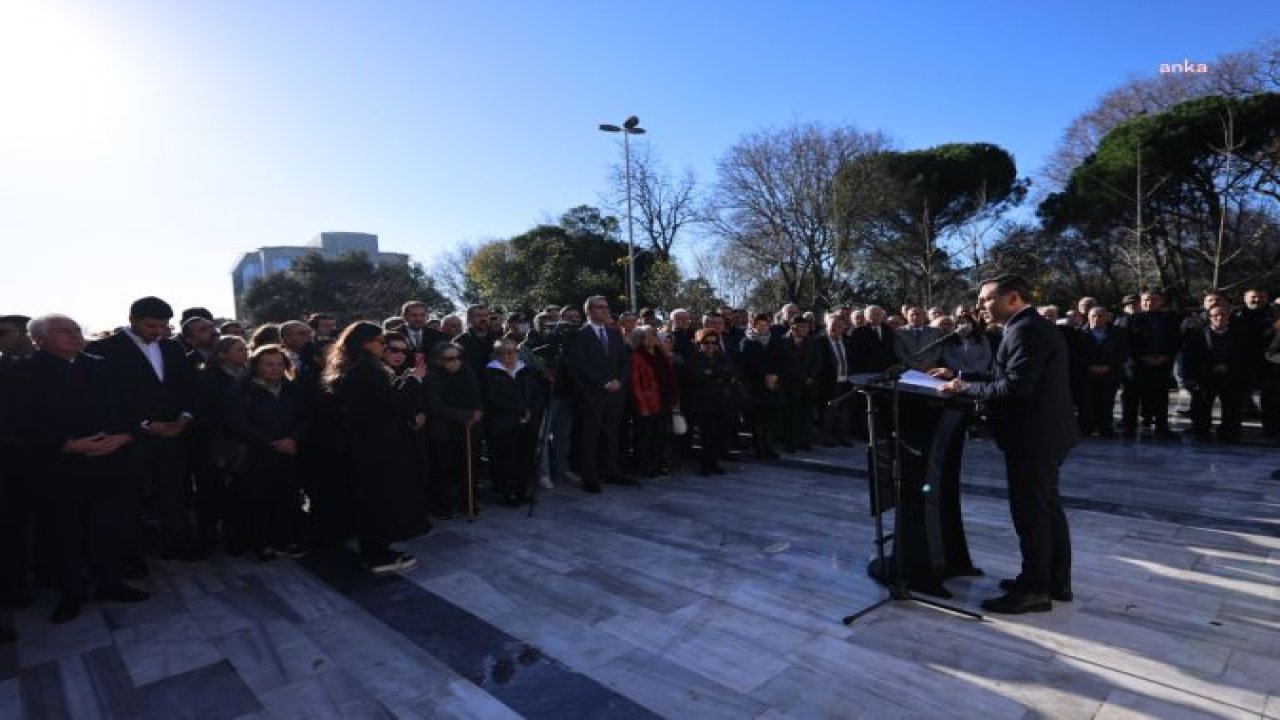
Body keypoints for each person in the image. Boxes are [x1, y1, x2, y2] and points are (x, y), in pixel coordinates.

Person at [935, 275, 1076, 614]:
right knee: (1046, 509)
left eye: (985, 299)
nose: (979, 306)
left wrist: (963, 390)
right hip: (1044, 433)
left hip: (1033, 436)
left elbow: (1014, 388)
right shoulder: (1026, 325)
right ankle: (1053, 580)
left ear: (1012, 298)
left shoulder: (1026, 329)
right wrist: (962, 378)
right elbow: (1007, 378)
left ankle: (1034, 590)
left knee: (1031, 513)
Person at [16, 315, 150, 623]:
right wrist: (67, 445)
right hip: (60, 469)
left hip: (109, 462)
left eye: (76, 329)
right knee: (64, 534)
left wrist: (126, 435)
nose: (74, 335)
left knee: (108, 528)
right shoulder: (22, 373)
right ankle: (70, 594)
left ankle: (110, 583)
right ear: (40, 339)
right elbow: (20, 423)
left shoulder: (102, 366)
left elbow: (132, 408)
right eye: (64, 331)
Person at [85, 296, 202, 567]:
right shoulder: (104, 349)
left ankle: (176, 543)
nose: (158, 332)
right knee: (128, 498)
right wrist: (144, 424)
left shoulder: (172, 349)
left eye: (163, 326)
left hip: (173, 435)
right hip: (130, 439)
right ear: (132, 320)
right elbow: (106, 398)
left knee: (174, 491)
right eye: (151, 326)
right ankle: (130, 555)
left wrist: (183, 419)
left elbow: (188, 388)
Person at [321, 322, 427, 574]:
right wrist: (413, 379)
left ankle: (377, 549)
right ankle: (376, 555)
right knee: (378, 498)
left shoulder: (352, 368)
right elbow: (395, 404)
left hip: (363, 442)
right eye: (380, 341)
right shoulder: (368, 371)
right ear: (366, 342)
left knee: (372, 497)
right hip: (375, 444)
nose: (383, 346)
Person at [226, 345, 309, 561]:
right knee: (258, 501)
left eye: (279, 364)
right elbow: (239, 424)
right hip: (257, 455)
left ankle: (288, 539)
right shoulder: (241, 391)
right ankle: (263, 543)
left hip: (289, 453)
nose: (275, 369)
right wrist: (271, 443)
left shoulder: (293, 389)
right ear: (255, 366)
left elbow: (305, 418)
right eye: (269, 364)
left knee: (289, 499)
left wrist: (293, 439)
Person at [564, 296, 630, 492]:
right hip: (592, 394)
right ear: (589, 311)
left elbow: (624, 362)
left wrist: (619, 381)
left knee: (612, 433)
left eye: (606, 307)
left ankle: (612, 472)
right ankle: (590, 477)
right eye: (600, 307)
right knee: (590, 436)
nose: (605, 310)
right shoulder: (579, 335)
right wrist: (603, 383)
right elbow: (580, 365)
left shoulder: (614, 333)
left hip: (616, 393)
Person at [424, 341, 484, 517]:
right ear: (439, 360)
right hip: (444, 430)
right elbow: (435, 407)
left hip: (469, 427)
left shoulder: (468, 371)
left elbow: (477, 394)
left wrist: (478, 411)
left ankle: (469, 502)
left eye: (458, 357)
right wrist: (467, 415)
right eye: (449, 359)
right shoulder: (432, 377)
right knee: (444, 469)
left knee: (469, 466)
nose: (455, 362)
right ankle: (443, 505)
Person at [483, 339, 544, 506]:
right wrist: (519, 410)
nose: (511, 355)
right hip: (504, 423)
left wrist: (532, 410)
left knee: (526, 457)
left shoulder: (525, 370)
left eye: (514, 351)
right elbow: (492, 399)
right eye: (506, 352)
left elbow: (537, 393)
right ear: (497, 355)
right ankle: (507, 492)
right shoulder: (490, 373)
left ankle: (522, 490)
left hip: (528, 422)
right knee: (506, 459)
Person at [1182, 305, 1248, 441]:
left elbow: (1245, 357)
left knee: (1232, 407)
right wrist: (1189, 377)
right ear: (1209, 318)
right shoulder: (1198, 335)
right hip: (1205, 377)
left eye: (1223, 315)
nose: (1219, 318)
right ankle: (1201, 430)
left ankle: (1229, 431)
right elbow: (1189, 357)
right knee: (1202, 406)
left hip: (1231, 376)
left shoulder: (1239, 335)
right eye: (1215, 315)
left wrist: (1230, 368)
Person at [682, 328, 737, 476]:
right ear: (700, 343)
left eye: (714, 342)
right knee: (707, 436)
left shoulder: (721, 357)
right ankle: (705, 465)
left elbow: (729, 373)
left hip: (721, 401)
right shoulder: (694, 359)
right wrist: (717, 374)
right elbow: (697, 377)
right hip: (703, 404)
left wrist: (713, 372)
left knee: (719, 435)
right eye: (707, 342)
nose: (711, 346)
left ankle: (714, 463)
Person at [628, 325, 679, 477]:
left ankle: (657, 464)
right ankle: (644, 466)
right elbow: (634, 384)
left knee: (659, 435)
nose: (651, 338)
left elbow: (669, 376)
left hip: (663, 400)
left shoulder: (660, 353)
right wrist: (642, 405)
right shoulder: (636, 357)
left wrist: (674, 397)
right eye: (647, 335)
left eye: (653, 334)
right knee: (645, 437)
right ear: (640, 339)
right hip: (647, 403)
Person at [1077, 308, 1130, 438]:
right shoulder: (1079, 333)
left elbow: (1123, 352)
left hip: (1110, 374)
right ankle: (1086, 428)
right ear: (1088, 317)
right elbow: (1075, 354)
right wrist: (1089, 366)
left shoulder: (1118, 333)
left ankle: (1105, 428)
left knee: (1107, 402)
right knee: (1086, 402)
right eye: (1093, 316)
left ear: (1107, 318)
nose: (1096, 318)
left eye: (1100, 316)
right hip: (1087, 374)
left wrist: (1109, 366)